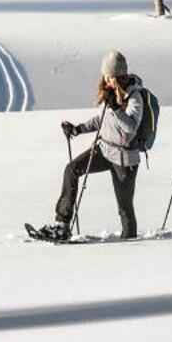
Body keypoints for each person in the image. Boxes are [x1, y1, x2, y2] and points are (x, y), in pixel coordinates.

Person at [43, 51, 146, 241]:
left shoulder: (134, 97)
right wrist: (78, 129)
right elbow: (101, 120)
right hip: (103, 149)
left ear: (120, 75)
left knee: (124, 208)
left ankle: (130, 242)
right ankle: (62, 224)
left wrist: (116, 107)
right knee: (72, 169)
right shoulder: (108, 93)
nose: (107, 80)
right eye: (105, 75)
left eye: (111, 76)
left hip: (124, 159)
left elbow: (131, 127)